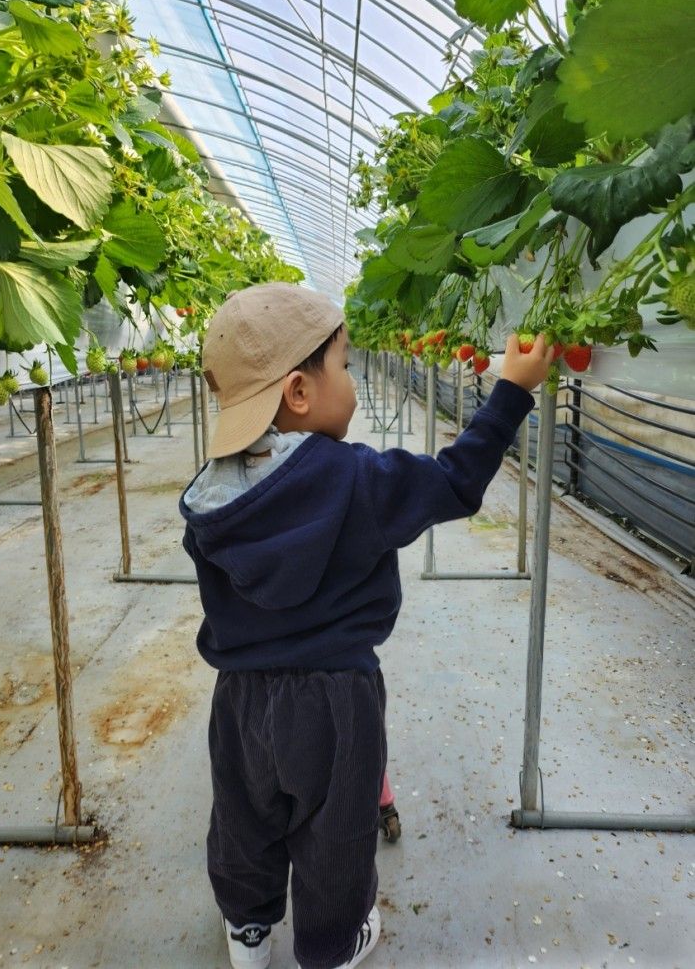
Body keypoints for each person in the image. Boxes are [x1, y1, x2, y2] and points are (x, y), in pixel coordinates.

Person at [179, 282, 553, 969]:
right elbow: (454, 481)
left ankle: (248, 931)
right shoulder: (355, 478)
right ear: (298, 391)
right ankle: (329, 945)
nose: (350, 377)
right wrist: (511, 391)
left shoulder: (208, 498)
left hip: (237, 698)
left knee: (243, 816)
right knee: (335, 834)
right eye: (344, 364)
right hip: (335, 699)